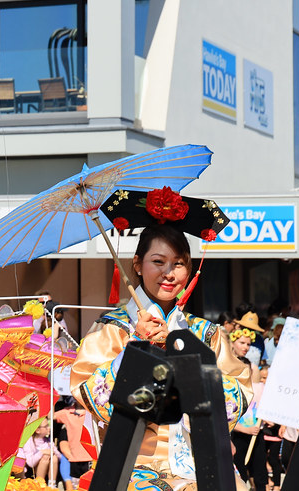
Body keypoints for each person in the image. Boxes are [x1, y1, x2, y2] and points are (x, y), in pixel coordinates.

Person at [72, 187, 252, 491]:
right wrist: (135, 352)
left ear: (190, 269)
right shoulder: (111, 330)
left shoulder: (205, 334)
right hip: (131, 467)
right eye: (158, 261)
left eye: (178, 263)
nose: (169, 273)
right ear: (138, 265)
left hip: (200, 462)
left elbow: (238, 399)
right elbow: (89, 396)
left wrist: (186, 354)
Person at [229, 325, 267, 491]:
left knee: (258, 469)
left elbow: (257, 393)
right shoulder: (223, 363)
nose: (246, 347)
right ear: (233, 342)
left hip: (252, 424)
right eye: (242, 343)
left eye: (248, 344)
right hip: (233, 426)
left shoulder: (252, 367)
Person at [20, 417, 61, 482]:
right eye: (46, 426)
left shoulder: (48, 441)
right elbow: (31, 463)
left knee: (54, 458)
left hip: (48, 469)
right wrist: (42, 452)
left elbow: (59, 456)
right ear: (37, 430)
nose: (49, 428)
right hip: (32, 471)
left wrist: (52, 452)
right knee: (45, 457)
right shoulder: (29, 441)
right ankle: (39, 484)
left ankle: (52, 483)